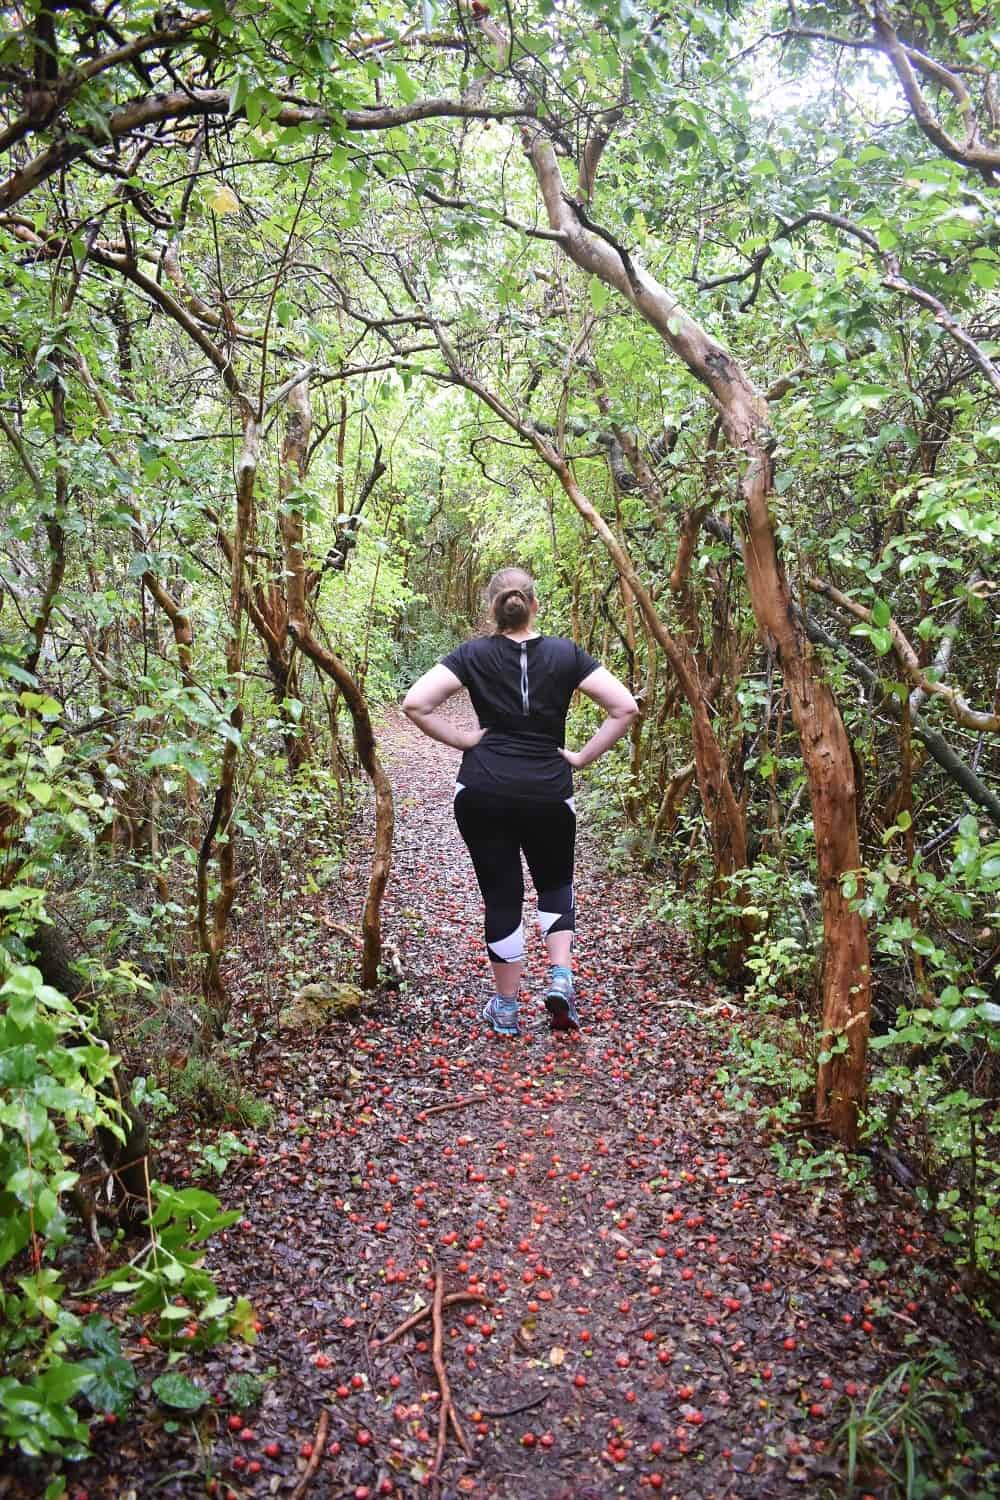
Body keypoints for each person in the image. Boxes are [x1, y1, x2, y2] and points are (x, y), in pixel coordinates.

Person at [402, 566, 638, 1036]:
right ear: (534, 604)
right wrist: (582, 757)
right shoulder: (566, 654)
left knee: (502, 895)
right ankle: (560, 979)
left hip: (483, 789)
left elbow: (415, 703)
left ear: (492, 608)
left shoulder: (472, 654)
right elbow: (624, 707)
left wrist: (466, 740)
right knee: (554, 883)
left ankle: (507, 1008)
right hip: (549, 789)